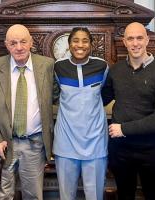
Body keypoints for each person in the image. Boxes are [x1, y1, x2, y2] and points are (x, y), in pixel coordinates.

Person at [101, 22, 155, 200]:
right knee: (124, 195)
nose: (135, 43)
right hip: (120, 150)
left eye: (139, 38)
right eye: (130, 38)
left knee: (153, 195)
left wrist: (124, 129)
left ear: (147, 40)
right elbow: (100, 100)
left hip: (151, 150)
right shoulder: (116, 70)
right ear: (124, 42)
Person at [0, 24, 54, 200]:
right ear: (6, 45)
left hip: (34, 144)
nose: (19, 47)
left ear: (31, 42)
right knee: (1, 195)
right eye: (13, 43)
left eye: (23, 41)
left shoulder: (47, 66)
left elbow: (59, 99)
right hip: (3, 145)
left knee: (33, 196)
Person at [53, 27, 109, 200]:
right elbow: (54, 94)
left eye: (85, 40)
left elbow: (105, 94)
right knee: (66, 195)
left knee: (94, 195)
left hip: (95, 142)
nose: (80, 45)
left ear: (91, 45)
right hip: (65, 142)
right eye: (75, 40)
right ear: (69, 45)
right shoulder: (58, 67)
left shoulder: (102, 66)